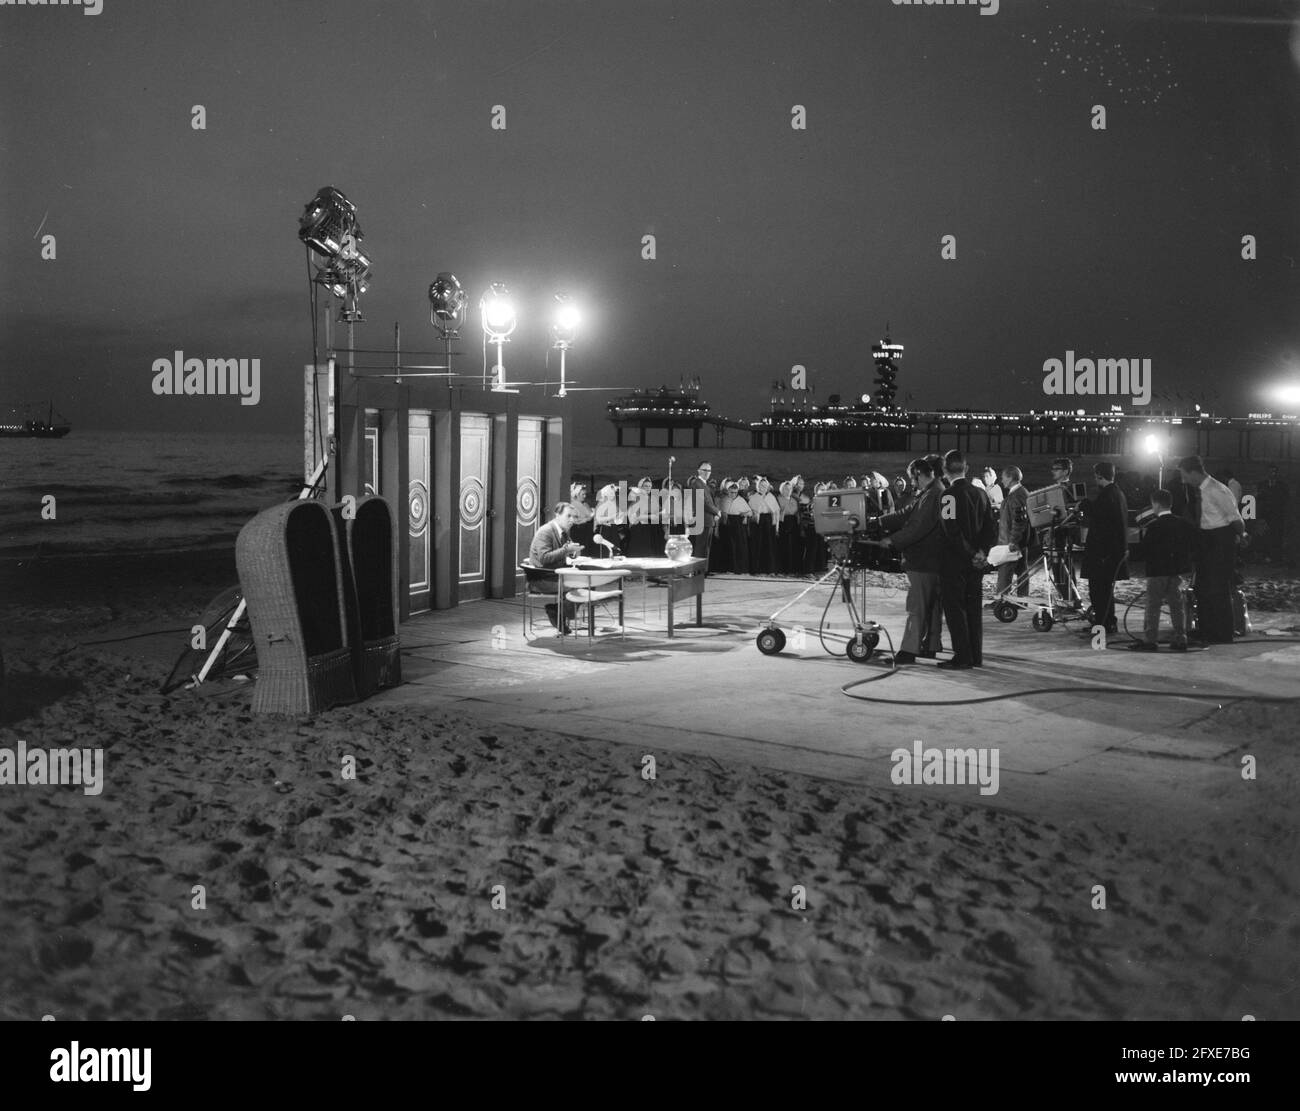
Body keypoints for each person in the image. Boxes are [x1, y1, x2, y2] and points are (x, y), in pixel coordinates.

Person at [874, 458, 944, 664]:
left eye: (912, 479)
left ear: (920, 475)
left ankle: (909, 651)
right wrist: (879, 521)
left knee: (917, 606)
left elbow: (916, 527)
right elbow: (908, 513)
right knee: (931, 606)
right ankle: (930, 646)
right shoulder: (932, 492)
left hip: (924, 559)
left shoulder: (932, 495)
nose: (911, 483)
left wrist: (891, 540)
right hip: (933, 559)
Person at [936, 450, 997, 669]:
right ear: (966, 468)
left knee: (955, 610)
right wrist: (982, 552)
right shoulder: (981, 494)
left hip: (954, 563)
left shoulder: (948, 496)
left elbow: (951, 531)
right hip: (976, 564)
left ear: (944, 471)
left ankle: (962, 656)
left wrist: (971, 553)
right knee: (973, 609)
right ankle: (975, 656)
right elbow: (991, 527)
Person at [1178, 455, 1244, 644]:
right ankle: (1206, 630)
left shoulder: (1217, 490)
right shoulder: (1200, 491)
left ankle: (1222, 633)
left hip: (1220, 540)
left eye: (1184, 474)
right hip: (1206, 539)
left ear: (1193, 472)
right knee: (1202, 587)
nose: (1183, 479)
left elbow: (1235, 518)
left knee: (1218, 587)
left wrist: (1241, 536)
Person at [1127, 488, 1195, 651]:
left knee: (1153, 605)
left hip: (1157, 571)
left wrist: (1131, 552)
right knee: (1177, 605)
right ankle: (1181, 638)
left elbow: (1146, 548)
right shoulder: (1182, 523)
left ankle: (1151, 640)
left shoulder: (1154, 526)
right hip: (1176, 570)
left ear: (1155, 504)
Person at [1079, 461, 1128, 636]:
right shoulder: (1117, 493)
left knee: (1099, 591)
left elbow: (1102, 522)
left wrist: (1085, 506)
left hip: (1103, 554)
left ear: (1099, 475)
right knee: (1105, 591)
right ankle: (1107, 623)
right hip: (1109, 553)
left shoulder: (1108, 495)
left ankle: (1102, 625)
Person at [526, 502, 584, 631]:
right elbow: (544, 558)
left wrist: (574, 551)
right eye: (568, 516)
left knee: (585, 582)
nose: (572, 520)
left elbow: (564, 552)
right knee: (580, 586)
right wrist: (566, 550)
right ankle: (560, 612)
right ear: (557, 515)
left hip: (555, 575)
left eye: (574, 517)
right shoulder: (545, 531)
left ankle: (558, 612)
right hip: (541, 579)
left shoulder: (563, 531)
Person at [996, 465, 1031, 599]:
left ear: (1010, 478)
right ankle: (1022, 599)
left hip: (1011, 541)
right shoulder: (1021, 492)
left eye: (1003, 477)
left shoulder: (1017, 495)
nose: (1002, 480)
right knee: (1022, 571)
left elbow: (1019, 521)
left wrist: (1012, 541)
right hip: (1019, 540)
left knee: (1005, 572)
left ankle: (1002, 600)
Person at [686, 461, 721, 566]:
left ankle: (702, 571)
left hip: (707, 520)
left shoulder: (704, 484)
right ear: (699, 471)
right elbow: (703, 503)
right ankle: (699, 571)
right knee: (701, 548)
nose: (707, 472)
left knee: (705, 548)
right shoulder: (697, 484)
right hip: (703, 520)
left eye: (709, 470)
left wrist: (714, 513)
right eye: (704, 470)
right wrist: (717, 511)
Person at [1255, 465, 1289, 562]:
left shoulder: (1282, 485)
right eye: (1271, 472)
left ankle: (1276, 556)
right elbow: (1258, 499)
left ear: (1277, 473)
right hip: (1265, 515)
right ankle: (1266, 555)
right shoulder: (1261, 484)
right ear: (1267, 473)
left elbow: (1285, 499)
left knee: (1277, 535)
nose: (1272, 474)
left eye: (1274, 472)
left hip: (1278, 515)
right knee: (1265, 535)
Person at [748, 476, 780, 574]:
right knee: (757, 545)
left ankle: (769, 569)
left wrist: (777, 526)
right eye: (761, 485)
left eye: (765, 485)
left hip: (769, 521)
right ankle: (756, 569)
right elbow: (750, 511)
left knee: (769, 545)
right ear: (758, 486)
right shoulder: (753, 497)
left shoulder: (771, 496)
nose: (763, 487)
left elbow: (776, 511)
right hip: (757, 521)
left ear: (768, 486)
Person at [720, 479, 752, 573]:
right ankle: (727, 568)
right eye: (731, 492)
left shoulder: (741, 500)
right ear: (727, 491)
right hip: (726, 524)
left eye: (735, 492)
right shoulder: (724, 499)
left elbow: (750, 512)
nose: (733, 494)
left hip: (738, 524)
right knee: (728, 546)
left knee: (739, 547)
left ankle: (738, 568)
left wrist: (745, 514)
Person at [626, 478, 661, 558]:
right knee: (639, 554)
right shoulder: (637, 498)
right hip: (639, 530)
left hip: (648, 530)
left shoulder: (650, 499)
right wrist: (650, 516)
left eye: (649, 486)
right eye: (645, 486)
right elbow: (634, 517)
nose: (648, 488)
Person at [592, 483, 626, 555]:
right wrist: (612, 517)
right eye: (611, 493)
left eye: (614, 493)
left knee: (615, 549)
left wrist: (620, 516)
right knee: (605, 550)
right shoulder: (602, 504)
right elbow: (599, 519)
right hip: (604, 530)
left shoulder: (614, 504)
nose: (613, 494)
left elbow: (619, 517)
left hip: (613, 529)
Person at [776, 480, 800, 574]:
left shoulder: (794, 500)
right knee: (784, 546)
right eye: (786, 488)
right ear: (782, 489)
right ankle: (783, 569)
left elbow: (796, 512)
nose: (788, 490)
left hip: (793, 523)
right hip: (783, 523)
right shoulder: (778, 498)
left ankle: (792, 568)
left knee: (793, 546)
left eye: (790, 488)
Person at [568, 482, 595, 556]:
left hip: (586, 529)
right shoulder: (574, 504)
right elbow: (576, 520)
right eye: (582, 494)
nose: (585, 496)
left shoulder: (584, 504)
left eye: (585, 494)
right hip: (578, 530)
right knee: (581, 550)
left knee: (586, 550)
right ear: (576, 494)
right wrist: (588, 518)